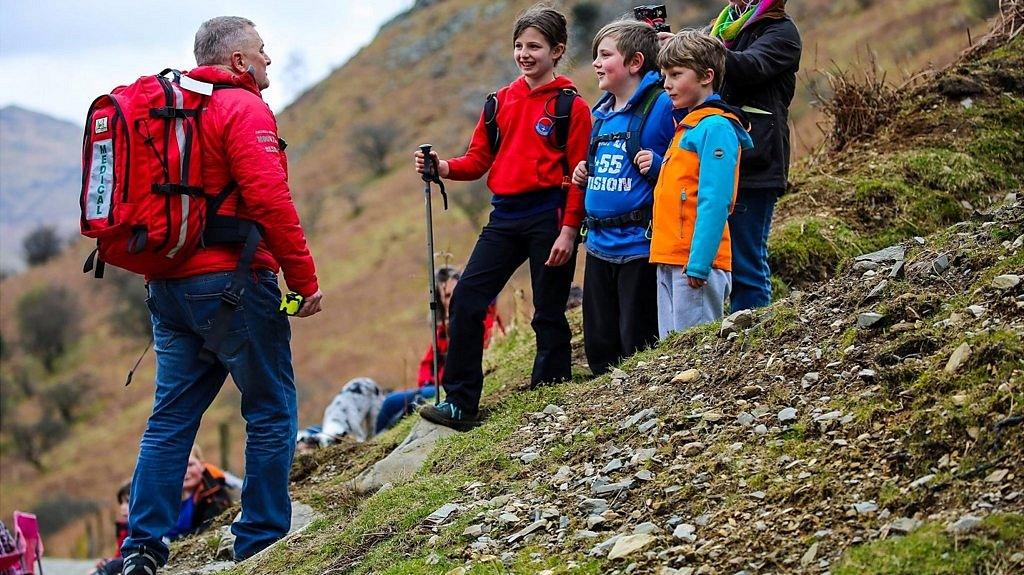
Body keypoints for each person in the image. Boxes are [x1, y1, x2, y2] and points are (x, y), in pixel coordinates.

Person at [120, 16, 323, 574]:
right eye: (262, 51)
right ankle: (260, 540)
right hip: (233, 283)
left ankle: (142, 548)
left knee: (170, 418)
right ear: (238, 61)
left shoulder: (170, 107)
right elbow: (269, 199)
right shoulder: (241, 106)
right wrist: (304, 280)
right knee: (271, 407)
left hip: (168, 284)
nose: (268, 60)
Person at [413, 5, 591, 431]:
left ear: (557, 50)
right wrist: (443, 168)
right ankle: (461, 403)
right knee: (469, 300)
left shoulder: (572, 107)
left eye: (534, 46)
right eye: (518, 45)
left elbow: (578, 174)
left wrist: (569, 230)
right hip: (505, 215)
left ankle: (551, 391)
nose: (524, 54)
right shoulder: (499, 102)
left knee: (548, 308)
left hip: (549, 213)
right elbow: (478, 160)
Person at [570, 20, 675, 375]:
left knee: (638, 344)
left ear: (634, 63)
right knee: (600, 346)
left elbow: (688, 161)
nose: (597, 63)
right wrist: (584, 173)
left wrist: (660, 165)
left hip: (638, 248)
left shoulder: (661, 106)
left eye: (605, 55)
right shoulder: (600, 114)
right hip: (598, 245)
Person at [650, 31, 753, 336]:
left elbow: (716, 199)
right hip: (669, 257)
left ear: (707, 76)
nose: (666, 84)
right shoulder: (687, 128)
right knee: (671, 354)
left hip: (695, 264)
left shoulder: (717, 127)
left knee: (696, 352)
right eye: (664, 75)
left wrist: (700, 262)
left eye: (676, 74)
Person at [711, 0, 802, 310]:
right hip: (720, 160)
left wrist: (694, 48)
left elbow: (748, 67)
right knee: (723, 258)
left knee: (747, 260)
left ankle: (753, 334)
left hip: (757, 161)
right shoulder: (723, 27)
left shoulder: (782, 32)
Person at [374, 267, 500, 433]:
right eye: (447, 295)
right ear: (440, 300)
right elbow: (427, 363)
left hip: (450, 386)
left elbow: (487, 346)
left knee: (396, 405)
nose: (454, 298)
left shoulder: (480, 317)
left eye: (456, 291)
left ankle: (384, 434)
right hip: (434, 385)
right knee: (391, 402)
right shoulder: (442, 329)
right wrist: (427, 383)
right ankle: (377, 438)